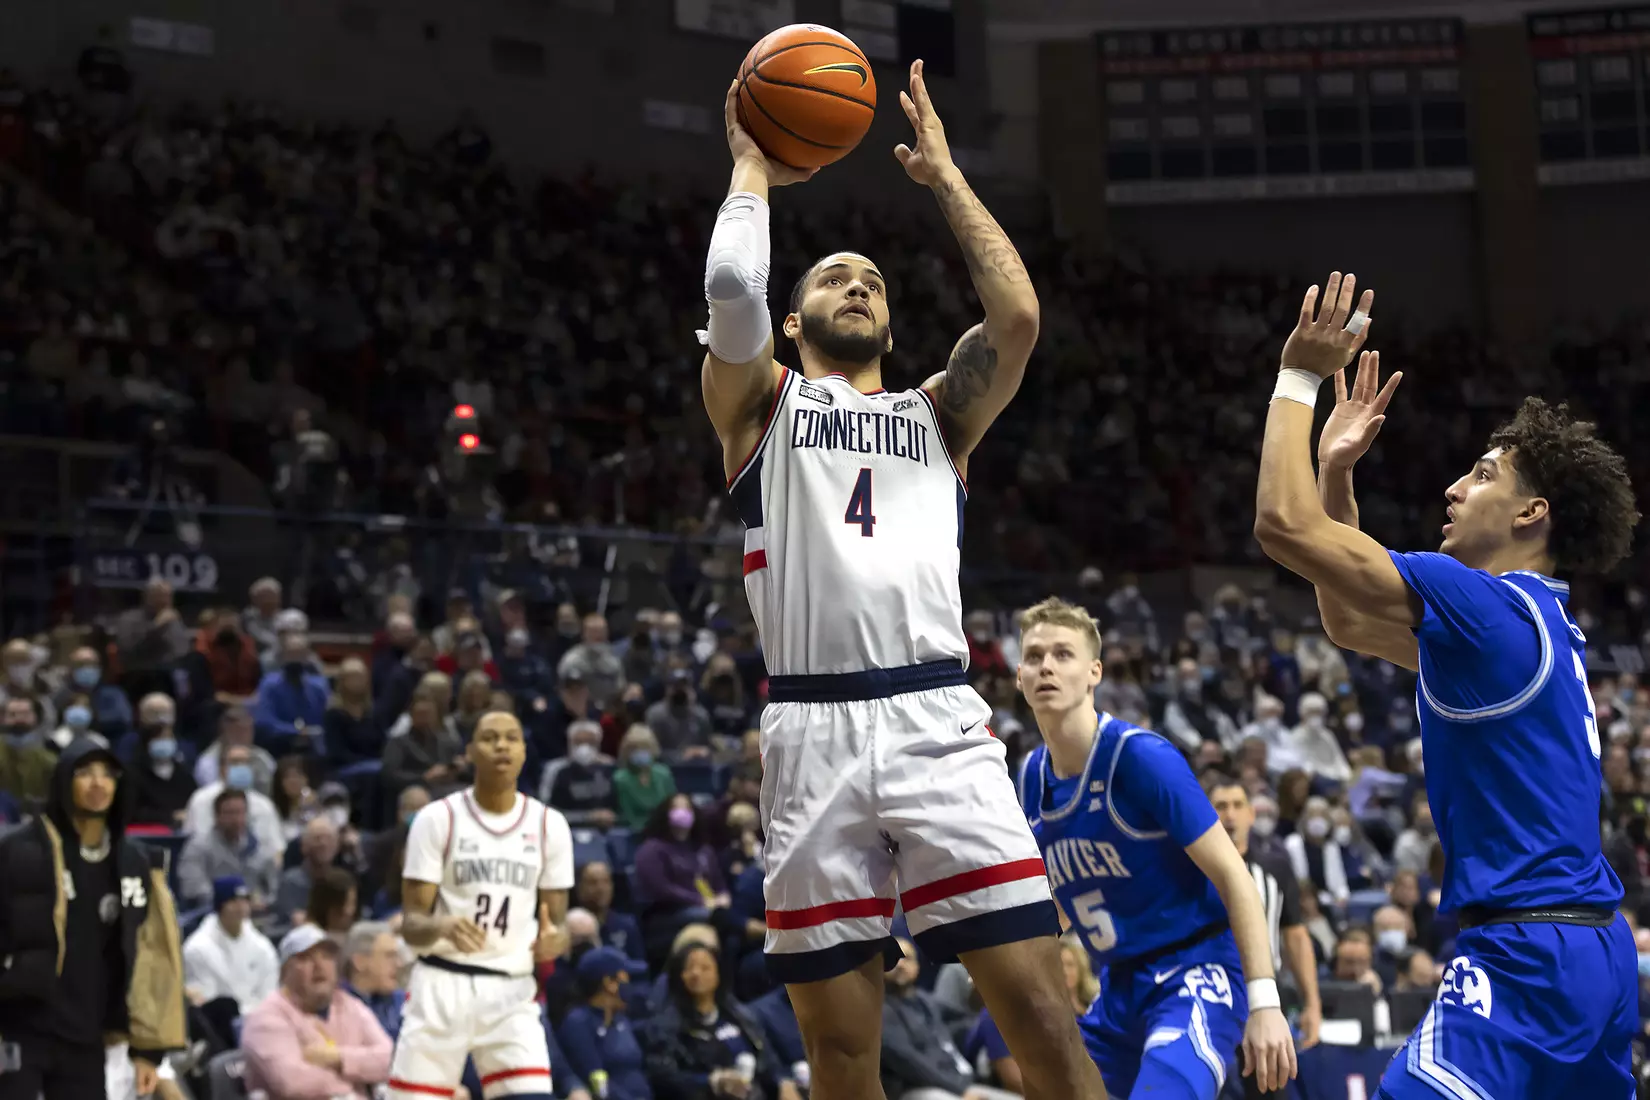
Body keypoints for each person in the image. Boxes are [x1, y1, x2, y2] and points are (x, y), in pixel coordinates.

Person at [698, 61, 1099, 1100]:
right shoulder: (760, 407)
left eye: (872, 278)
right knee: (840, 1057)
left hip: (935, 720)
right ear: (794, 325)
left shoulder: (938, 415)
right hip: (809, 731)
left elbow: (1013, 321)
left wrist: (948, 180)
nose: (859, 283)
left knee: (1046, 1021)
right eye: (834, 277)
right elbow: (733, 288)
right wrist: (752, 161)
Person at [1250, 272, 1639, 1098]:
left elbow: (1280, 528)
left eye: (1484, 475)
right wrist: (1335, 472)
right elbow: (1348, 624)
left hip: (1525, 956)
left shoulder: (1483, 607)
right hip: (1595, 951)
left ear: (1531, 513)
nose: (1454, 489)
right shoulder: (1534, 624)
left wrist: (1300, 377)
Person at [1014, 598, 1297, 1096]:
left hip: (1197, 971)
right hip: (1119, 985)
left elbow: (1235, 877)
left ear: (1094, 672)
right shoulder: (1030, 776)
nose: (1047, 667)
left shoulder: (1140, 757)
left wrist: (1265, 1002)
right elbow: (1057, 900)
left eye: (1063, 654)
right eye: (1035, 656)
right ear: (1018, 676)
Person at [387, 712, 575, 1100]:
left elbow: (558, 924)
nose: (502, 745)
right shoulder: (437, 819)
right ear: (471, 751)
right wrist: (440, 926)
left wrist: (556, 941)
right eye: (489, 738)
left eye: (511, 738)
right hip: (442, 983)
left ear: (524, 751)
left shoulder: (549, 825)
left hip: (511, 989)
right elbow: (411, 923)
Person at [0, 737, 187, 1100]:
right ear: (63, 781)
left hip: (87, 1034)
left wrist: (148, 1049)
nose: (98, 783)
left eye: (107, 774)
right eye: (84, 772)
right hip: (18, 1027)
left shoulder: (134, 862)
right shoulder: (19, 851)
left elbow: (152, 959)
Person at [1206, 775, 1322, 1098]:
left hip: (1263, 995)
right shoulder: (1191, 865)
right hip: (1207, 992)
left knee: (1270, 1090)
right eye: (1221, 806)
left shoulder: (1276, 864)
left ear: (1251, 814)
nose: (1229, 814)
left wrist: (1312, 1002)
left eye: (1237, 805)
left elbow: (1296, 936)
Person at [241, 925, 394, 1100]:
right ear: (284, 973)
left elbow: (389, 1059)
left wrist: (337, 1057)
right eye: (305, 958)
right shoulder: (265, 1019)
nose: (319, 966)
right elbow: (293, 1083)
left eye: (327, 956)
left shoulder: (347, 1005)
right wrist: (354, 1083)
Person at [642, 943, 798, 1100]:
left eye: (705, 968)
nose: (696, 973)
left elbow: (768, 1062)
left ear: (718, 974)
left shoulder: (739, 1015)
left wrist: (782, 1082)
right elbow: (663, 1078)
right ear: (678, 976)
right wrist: (712, 1081)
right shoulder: (665, 1026)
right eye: (689, 968)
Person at [967, 938, 1098, 1095]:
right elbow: (1012, 1079)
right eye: (1056, 964)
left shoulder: (1092, 1012)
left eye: (1069, 965)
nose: (1062, 970)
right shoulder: (998, 1014)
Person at [557, 948, 651, 1100]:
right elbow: (597, 1082)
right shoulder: (578, 1023)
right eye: (626, 977)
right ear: (610, 983)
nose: (630, 984)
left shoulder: (621, 1019)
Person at [183, 875, 280, 1014]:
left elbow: (269, 993)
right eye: (234, 901)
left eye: (245, 900)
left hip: (259, 1022)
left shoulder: (262, 946)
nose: (241, 906)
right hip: (219, 1026)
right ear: (220, 906)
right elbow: (205, 1002)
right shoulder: (197, 949)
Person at [178, 788, 282, 909]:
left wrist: (261, 902)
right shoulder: (197, 847)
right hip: (212, 915)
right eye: (229, 813)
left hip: (257, 916)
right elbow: (192, 889)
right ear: (217, 816)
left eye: (240, 812)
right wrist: (233, 902)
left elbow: (274, 891)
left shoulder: (261, 849)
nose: (235, 819)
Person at [185, 741, 287, 856]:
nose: (241, 767)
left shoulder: (264, 805)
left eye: (245, 763)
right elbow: (190, 842)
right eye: (235, 762)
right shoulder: (201, 799)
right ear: (222, 767)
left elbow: (277, 849)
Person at [128, 693, 196, 828]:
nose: (163, 743)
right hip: (146, 836)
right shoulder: (133, 773)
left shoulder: (183, 774)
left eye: (168, 738)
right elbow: (131, 812)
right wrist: (169, 816)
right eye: (158, 739)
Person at [541, 720, 617, 830]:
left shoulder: (610, 767)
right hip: (568, 829)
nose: (584, 747)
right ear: (570, 743)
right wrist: (587, 817)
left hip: (608, 830)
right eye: (579, 742)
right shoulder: (555, 769)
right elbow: (547, 809)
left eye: (590, 742)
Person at [343, 920, 408, 1039]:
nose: (398, 964)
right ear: (360, 961)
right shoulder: (336, 1007)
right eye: (389, 956)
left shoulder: (401, 1002)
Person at [195, 705, 277, 793]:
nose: (246, 735)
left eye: (249, 730)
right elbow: (211, 791)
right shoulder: (208, 761)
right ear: (225, 731)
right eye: (240, 730)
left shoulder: (263, 757)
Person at [277, 816, 343, 925]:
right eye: (317, 838)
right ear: (304, 846)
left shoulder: (341, 881)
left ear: (337, 845)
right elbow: (294, 918)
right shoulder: (290, 881)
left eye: (329, 838)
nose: (323, 843)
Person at [576, 861, 645, 963]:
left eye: (606, 882)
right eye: (593, 883)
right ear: (580, 888)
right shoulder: (572, 928)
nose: (601, 888)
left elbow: (640, 967)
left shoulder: (627, 925)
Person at [613, 725, 674, 830]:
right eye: (635, 748)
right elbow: (627, 813)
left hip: (664, 830)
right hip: (633, 830)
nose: (640, 752)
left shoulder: (663, 774)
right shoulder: (621, 779)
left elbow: (671, 804)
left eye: (645, 748)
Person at [0, 695, 55, 809]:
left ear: (36, 718)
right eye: (12, 714)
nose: (19, 719)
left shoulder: (49, 761)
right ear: (3, 719)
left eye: (25, 714)